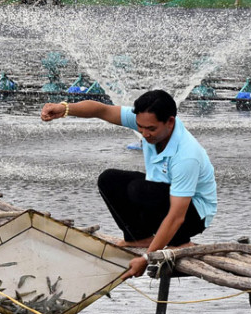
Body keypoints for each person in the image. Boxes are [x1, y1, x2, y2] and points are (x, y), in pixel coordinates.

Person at [40, 90, 217, 279]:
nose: (144, 134)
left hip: (192, 216)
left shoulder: (186, 155)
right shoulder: (147, 122)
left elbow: (176, 216)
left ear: (170, 122)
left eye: (151, 129)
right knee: (109, 179)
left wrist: (148, 257)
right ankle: (138, 237)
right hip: (161, 198)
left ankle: (180, 242)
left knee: (139, 190)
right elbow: (101, 110)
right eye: (140, 127)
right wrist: (65, 109)